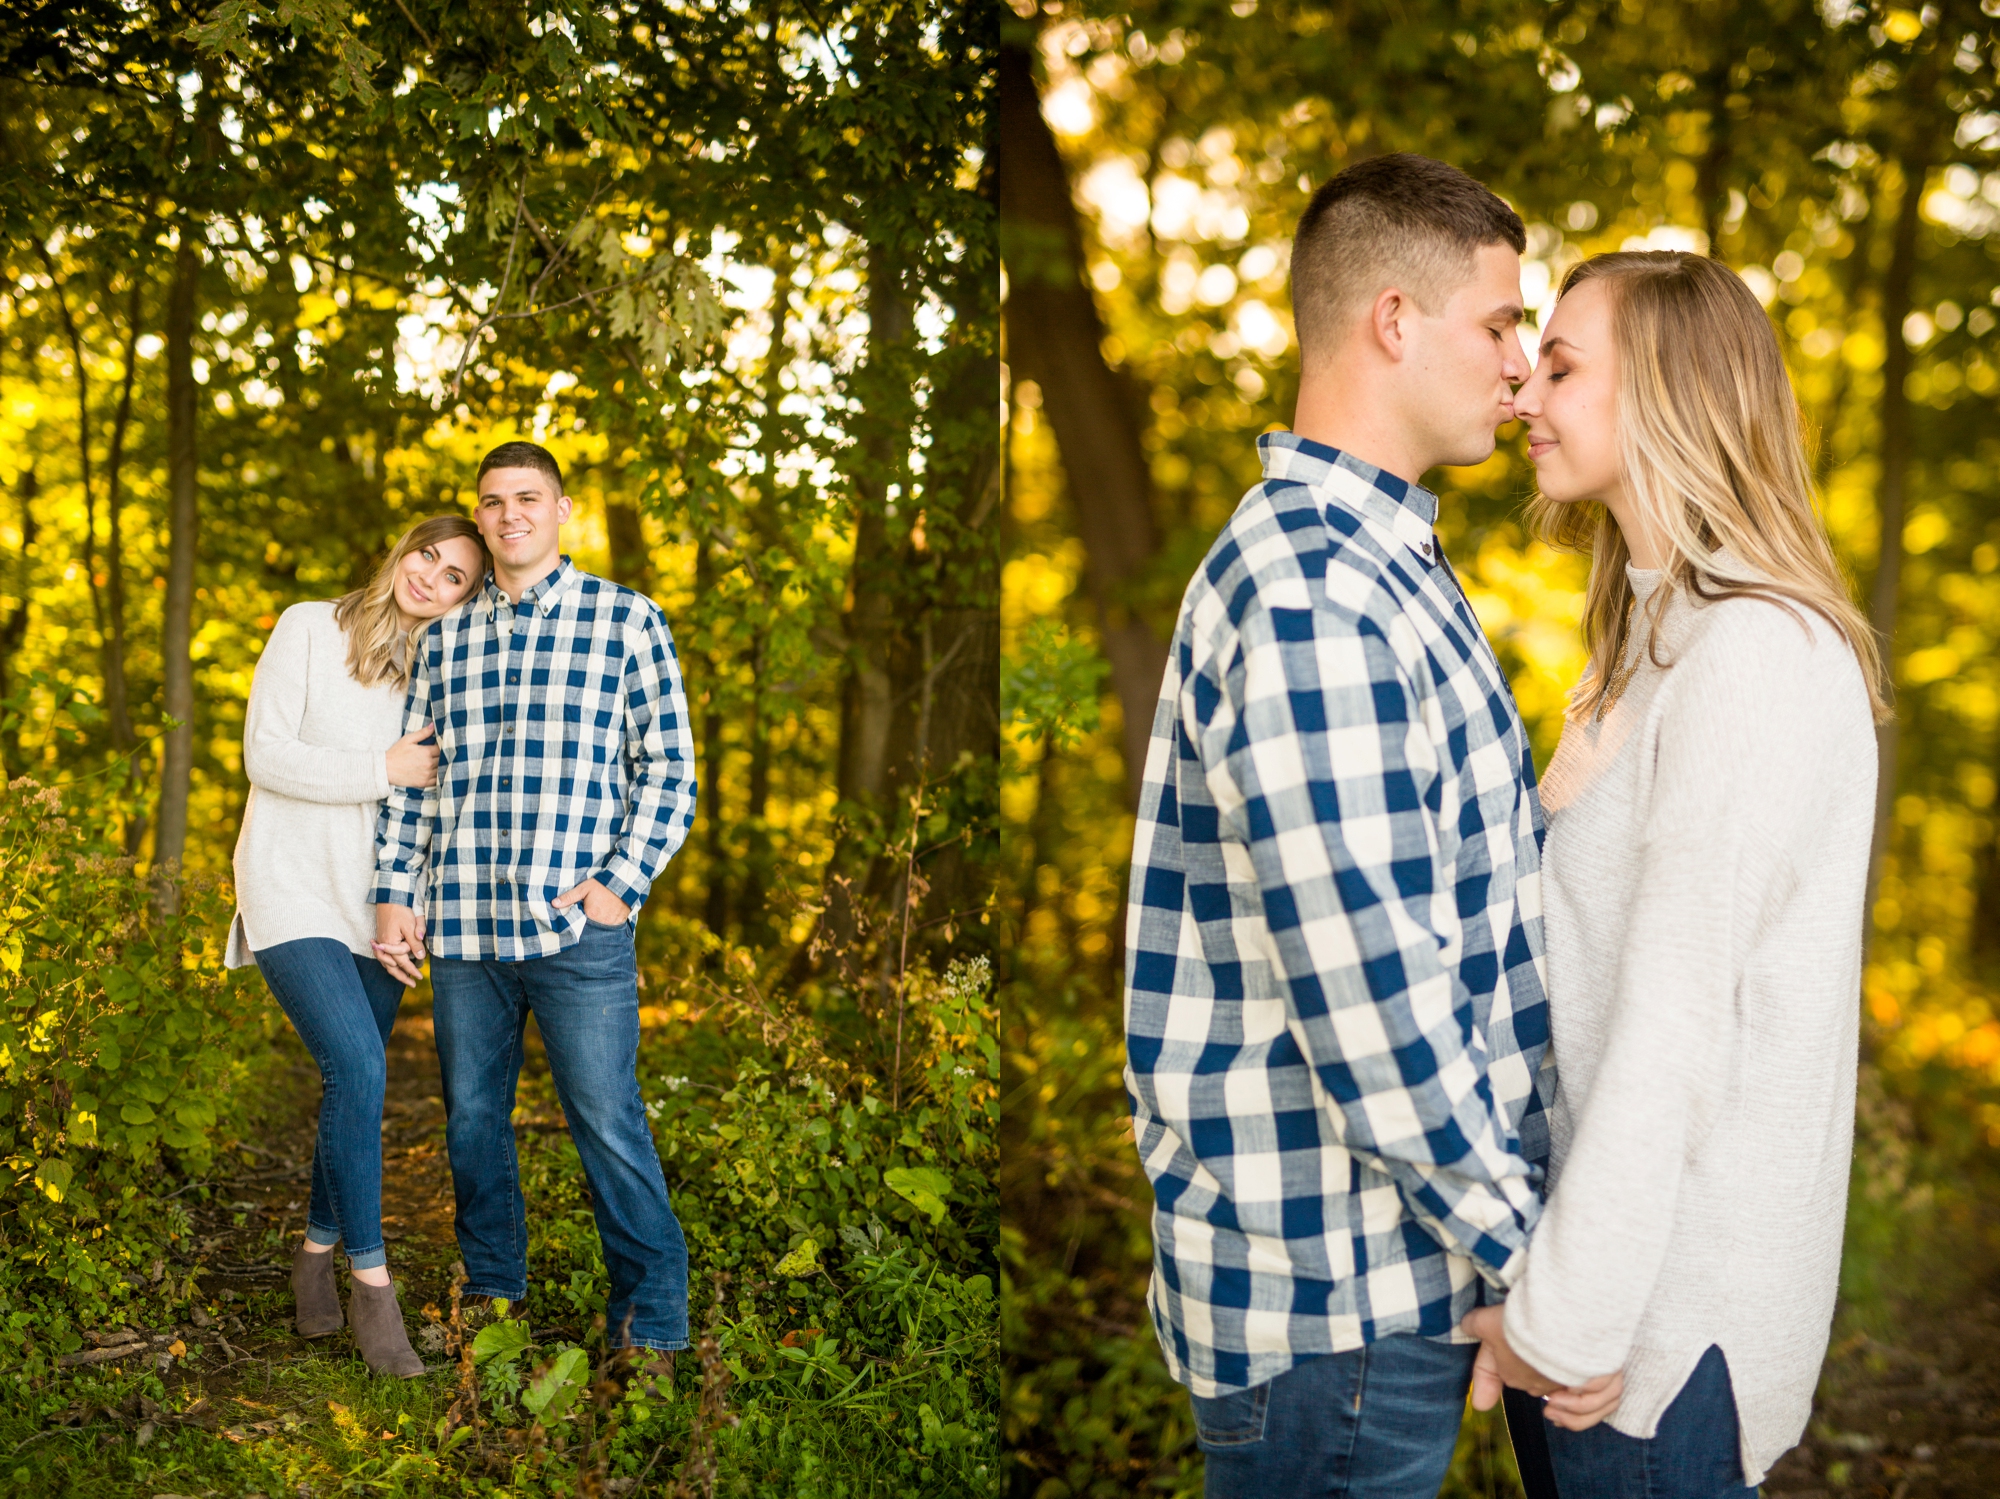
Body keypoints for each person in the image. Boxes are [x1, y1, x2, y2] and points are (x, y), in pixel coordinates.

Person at [1123, 152, 1619, 1499]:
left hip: (1372, 1291)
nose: (1521, 367)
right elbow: (1375, 1006)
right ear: (1394, 320)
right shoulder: (1312, 594)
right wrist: (1540, 1263)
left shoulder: (1376, 563)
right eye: (1502, 324)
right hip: (1331, 1307)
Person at [1461, 252, 1886, 1496]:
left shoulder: (1753, 651)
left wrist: (1561, 1322)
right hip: (1597, 1299)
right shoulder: (1647, 646)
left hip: (1654, 1335)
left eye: (1558, 364)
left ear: (1664, 389)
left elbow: (1675, 1023)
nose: (1521, 394)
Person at [371, 440, 697, 1367]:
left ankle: (653, 1327)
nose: (509, 513)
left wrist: (619, 885)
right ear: (477, 519)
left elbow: (669, 769)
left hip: (576, 931)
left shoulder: (626, 621)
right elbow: (418, 785)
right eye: (491, 501)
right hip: (466, 926)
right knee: (472, 1119)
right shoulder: (443, 638)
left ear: (561, 510)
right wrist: (398, 891)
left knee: (606, 1117)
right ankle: (492, 1296)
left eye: (527, 497)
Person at [226, 515, 490, 1377]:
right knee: (361, 1069)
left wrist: (406, 905)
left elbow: (428, 812)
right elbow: (265, 754)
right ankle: (373, 1287)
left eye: (456, 577)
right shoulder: (309, 626)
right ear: (401, 550)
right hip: (288, 883)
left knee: (353, 1078)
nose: (433, 578)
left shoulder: (437, 675)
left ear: (464, 599)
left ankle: (311, 1258)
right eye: (429, 555)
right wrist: (381, 767)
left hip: (376, 906)